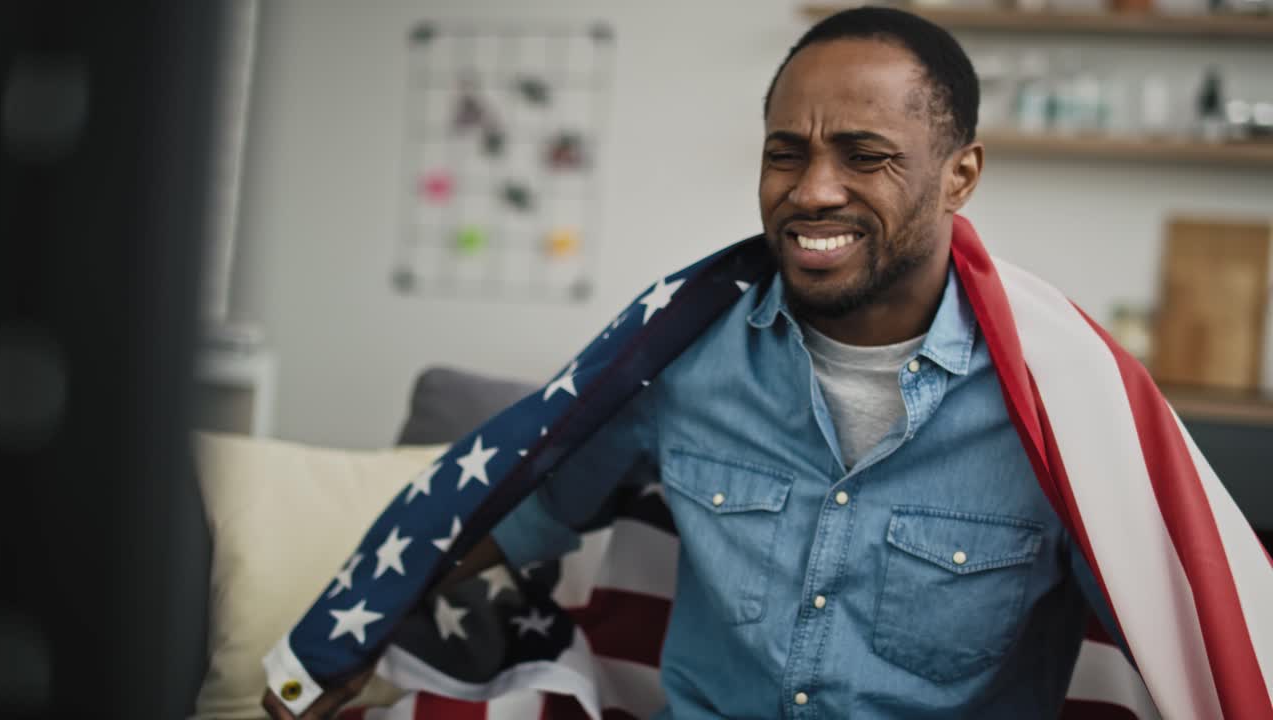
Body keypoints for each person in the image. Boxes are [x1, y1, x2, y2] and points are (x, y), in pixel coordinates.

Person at [264, 7, 1268, 719]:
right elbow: (508, 509)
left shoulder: (1068, 410)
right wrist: (343, 641)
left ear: (959, 175)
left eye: (865, 155)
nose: (812, 190)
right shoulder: (676, 361)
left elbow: (1195, 632)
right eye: (786, 152)